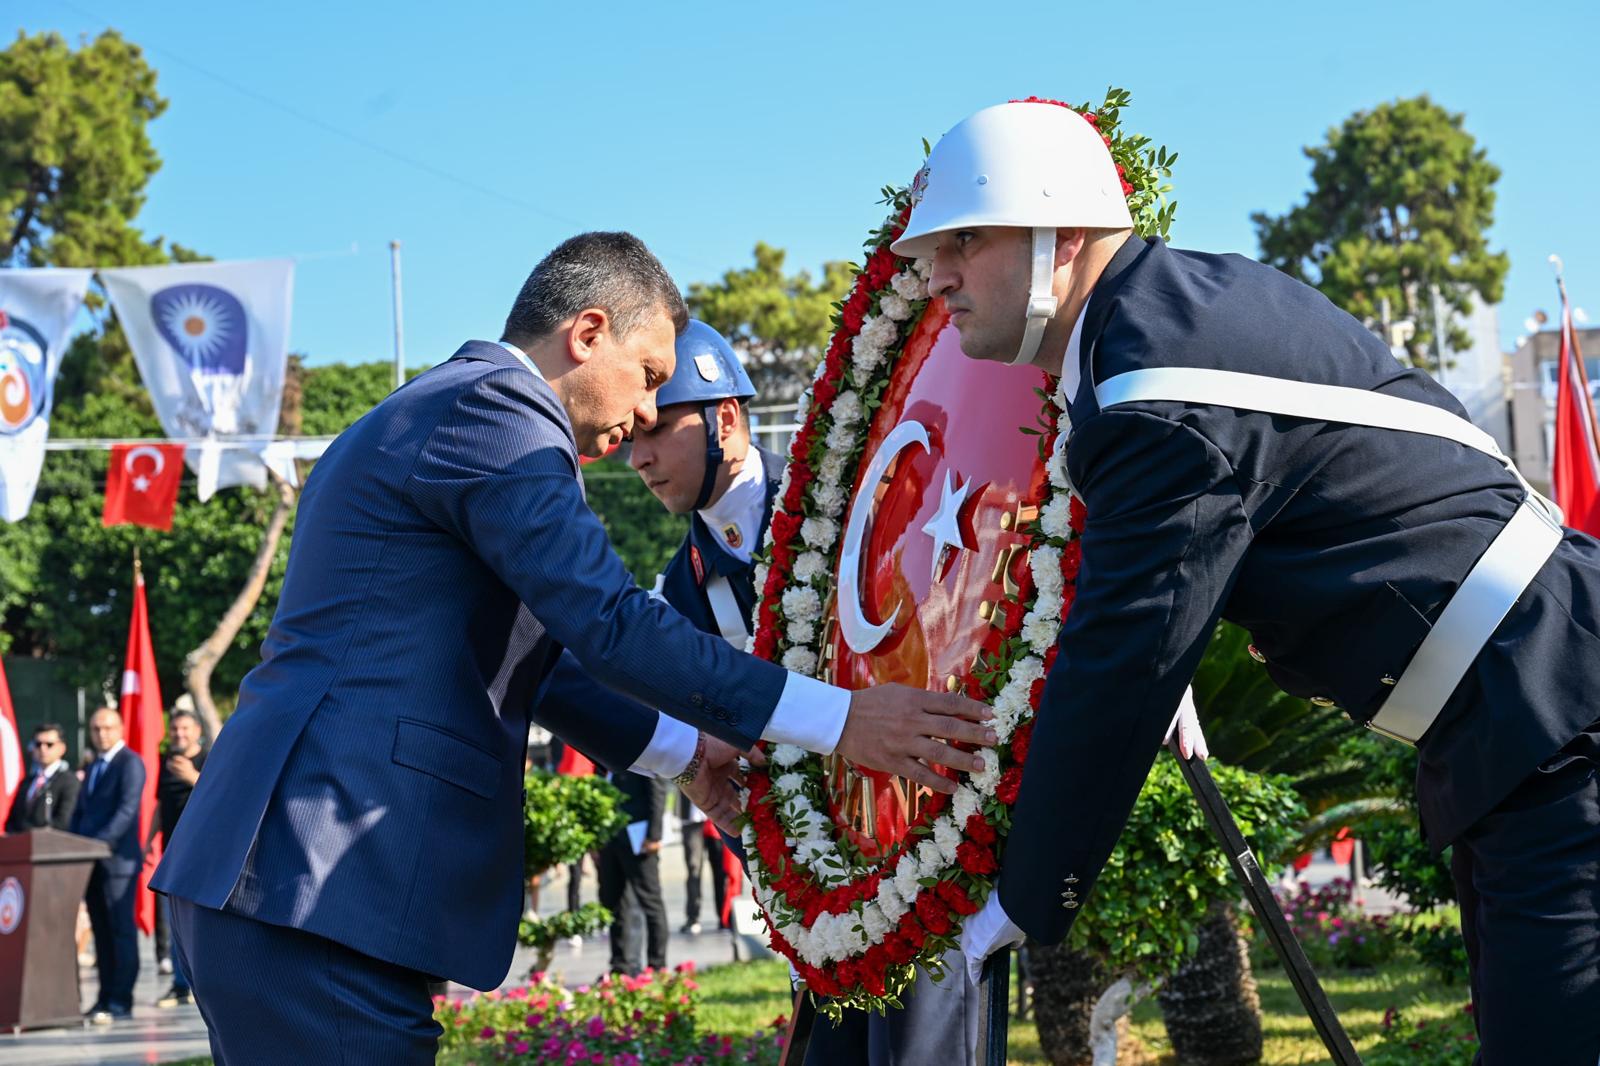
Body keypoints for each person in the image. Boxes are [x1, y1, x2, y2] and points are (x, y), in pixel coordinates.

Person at [152, 231, 995, 1066]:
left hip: (308, 884)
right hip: (315, 877)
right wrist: (843, 719)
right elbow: (610, 623)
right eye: (649, 377)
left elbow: (545, 663)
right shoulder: (497, 411)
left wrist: (688, 753)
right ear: (587, 334)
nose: (637, 423)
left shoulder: (450, 409)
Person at [894, 100, 1600, 1064]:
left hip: (1554, 712)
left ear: (1058, 234)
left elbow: (1115, 669)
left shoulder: (1149, 383)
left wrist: (1027, 892)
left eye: (963, 241)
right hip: (1524, 702)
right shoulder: (1163, 322)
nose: (936, 277)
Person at [538, 319, 994, 1063]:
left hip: (918, 842)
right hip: (814, 881)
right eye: (633, 438)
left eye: (658, 430)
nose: (640, 458)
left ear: (725, 418)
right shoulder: (679, 588)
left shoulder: (848, 498)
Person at [70, 707, 146, 1024]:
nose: (102, 733)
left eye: (108, 727)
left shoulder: (130, 762)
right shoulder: (93, 767)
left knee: (120, 932)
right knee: (100, 933)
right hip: (90, 863)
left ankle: (120, 999)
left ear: (121, 728)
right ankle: (103, 997)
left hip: (117, 863)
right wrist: (73, 844)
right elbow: (81, 813)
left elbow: (127, 811)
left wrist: (98, 844)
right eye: (96, 728)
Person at [144, 708, 206, 1008]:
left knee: (199, 921)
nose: (179, 734)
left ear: (197, 730)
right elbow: (160, 803)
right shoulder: (165, 761)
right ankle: (180, 985)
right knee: (174, 919)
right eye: (175, 729)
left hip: (201, 852)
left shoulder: (210, 757)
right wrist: (147, 840)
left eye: (185, 729)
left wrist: (193, 777)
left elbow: (220, 794)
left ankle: (201, 984)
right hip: (172, 853)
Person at [596, 769, 669, 975]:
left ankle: (657, 965)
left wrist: (654, 835)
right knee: (613, 902)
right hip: (610, 840)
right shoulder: (599, 762)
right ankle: (620, 965)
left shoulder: (639, 759)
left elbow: (657, 792)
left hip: (639, 839)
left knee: (650, 901)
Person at [5, 722, 79, 832]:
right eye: (38, 744)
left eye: (49, 744)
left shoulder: (69, 781)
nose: (43, 749)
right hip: (22, 845)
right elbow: (13, 820)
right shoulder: (27, 782)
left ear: (62, 748)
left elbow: (64, 822)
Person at [677, 789, 726, 935]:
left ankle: (724, 917)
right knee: (693, 868)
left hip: (716, 818)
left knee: (720, 869)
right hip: (691, 820)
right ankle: (693, 917)